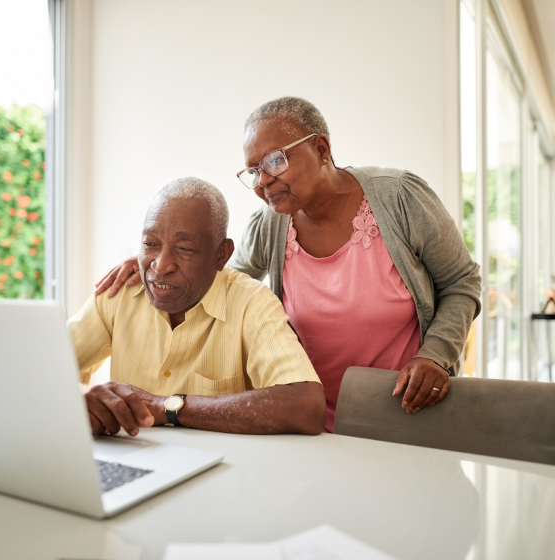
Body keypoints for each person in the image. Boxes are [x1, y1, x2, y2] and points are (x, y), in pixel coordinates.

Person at [96, 98, 482, 433]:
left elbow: (462, 281)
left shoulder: (399, 198)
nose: (263, 181)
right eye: (253, 171)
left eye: (275, 161)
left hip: (404, 408)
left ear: (321, 148)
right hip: (306, 418)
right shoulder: (272, 224)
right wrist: (159, 255)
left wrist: (435, 354)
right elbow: (223, 279)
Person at [70, 177, 325, 437]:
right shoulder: (119, 293)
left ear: (221, 255)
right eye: (150, 244)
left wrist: (165, 407)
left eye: (184, 248)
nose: (160, 265)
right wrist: (87, 402)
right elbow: (39, 373)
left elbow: (306, 407)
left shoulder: (252, 303)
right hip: (133, 463)